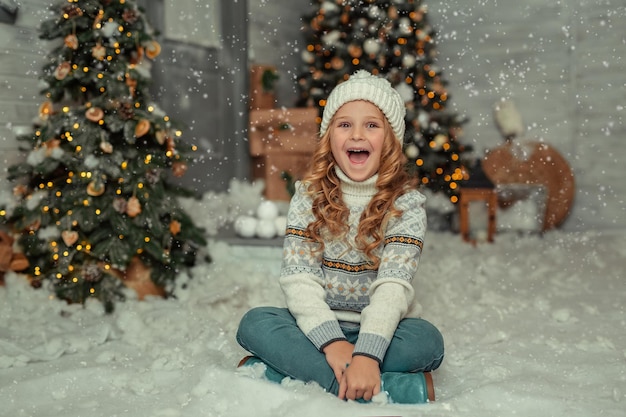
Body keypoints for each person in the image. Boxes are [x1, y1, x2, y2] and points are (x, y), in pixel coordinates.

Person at [236, 70, 444, 404]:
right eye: (344, 124)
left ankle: (287, 373)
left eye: (372, 125)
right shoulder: (308, 197)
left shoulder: (407, 205)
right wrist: (334, 344)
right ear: (329, 136)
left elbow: (393, 287)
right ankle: (386, 388)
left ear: (390, 139)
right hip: (316, 328)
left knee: (428, 342)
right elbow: (299, 279)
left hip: (383, 329)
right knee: (255, 324)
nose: (357, 135)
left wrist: (368, 353)